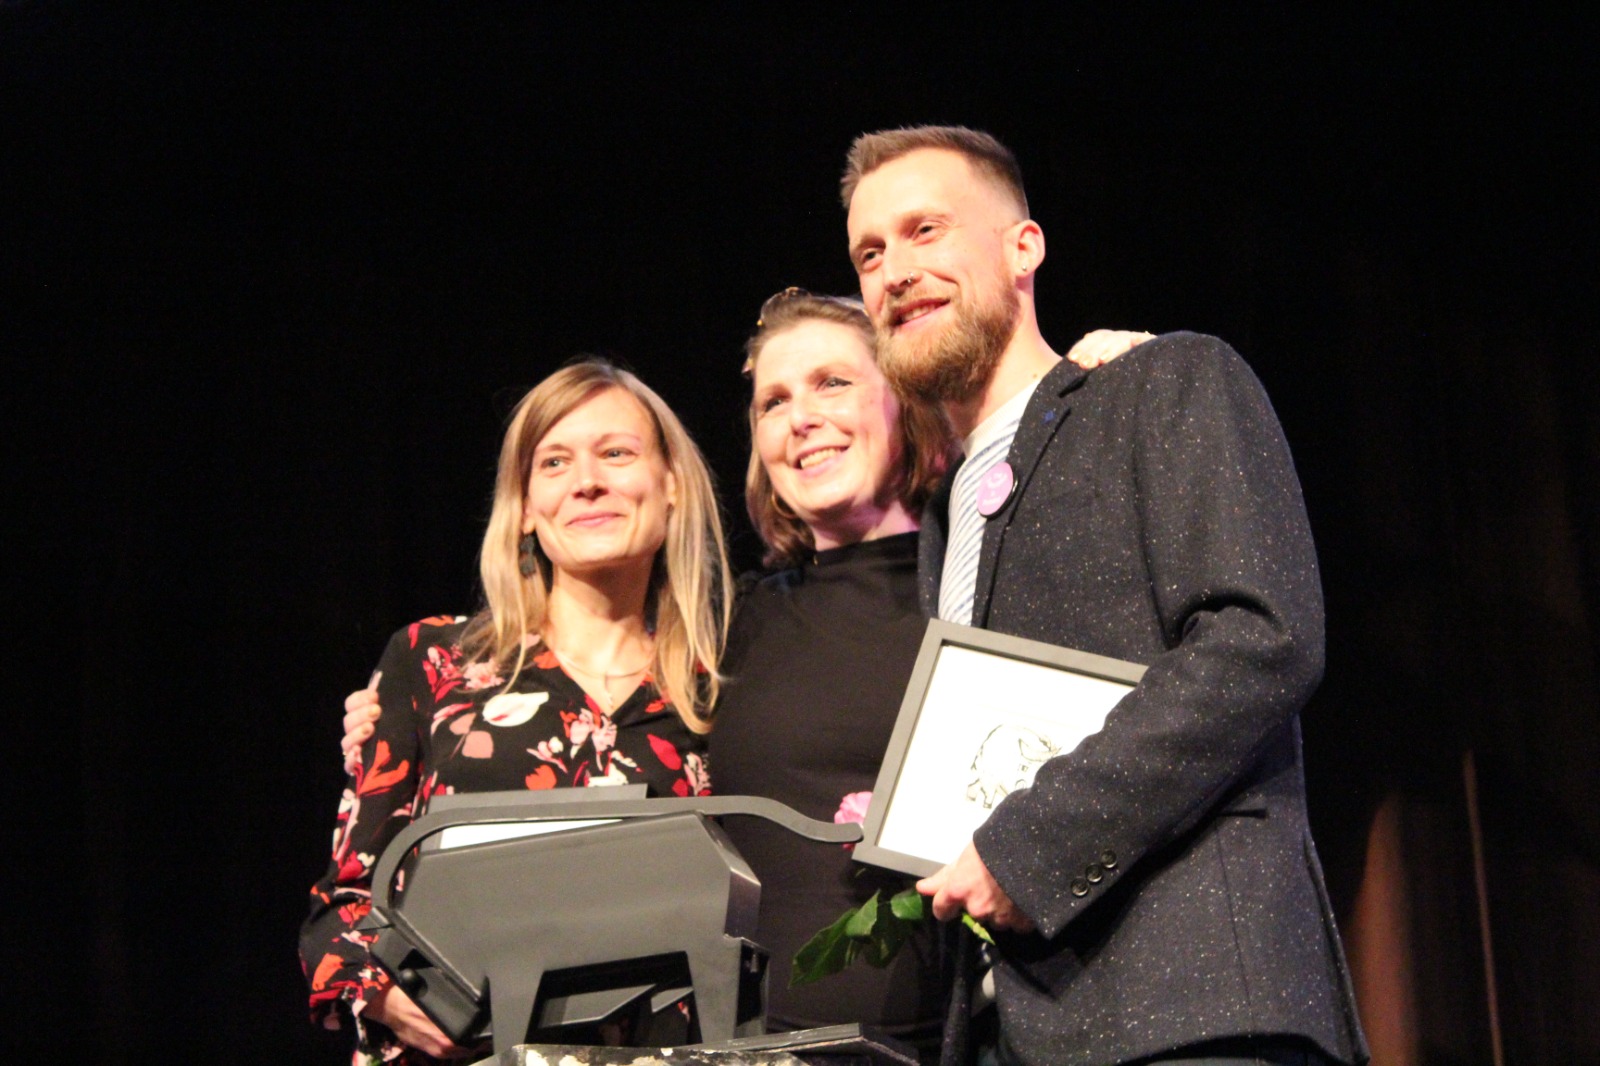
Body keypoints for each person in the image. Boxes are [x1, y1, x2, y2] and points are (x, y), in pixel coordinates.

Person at [336, 301, 1146, 1058]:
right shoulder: (724, 638)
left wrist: (1095, 390)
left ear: (905, 401)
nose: (803, 418)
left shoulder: (985, 583)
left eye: (833, 382)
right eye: (772, 402)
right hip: (741, 1042)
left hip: (972, 1036)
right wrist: (398, 720)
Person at [842, 126, 1368, 1066]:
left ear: (1023, 248)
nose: (895, 272)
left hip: (1196, 1002)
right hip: (1027, 1021)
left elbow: (1261, 639)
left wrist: (1027, 848)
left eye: (926, 231)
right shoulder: (943, 517)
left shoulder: (1164, 380)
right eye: (870, 253)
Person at [301, 359, 733, 1065]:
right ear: (526, 506)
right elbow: (343, 902)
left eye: (616, 453)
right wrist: (390, 997)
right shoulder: (432, 661)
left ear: (672, 486)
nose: (586, 481)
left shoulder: (719, 688)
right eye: (554, 462)